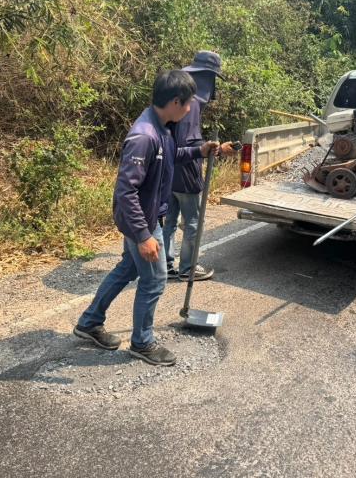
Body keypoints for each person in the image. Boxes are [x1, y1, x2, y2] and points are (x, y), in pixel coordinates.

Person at [73, 70, 219, 366]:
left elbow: (170, 155)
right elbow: (126, 191)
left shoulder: (162, 127)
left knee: (127, 269)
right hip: (141, 220)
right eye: (188, 103)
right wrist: (143, 235)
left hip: (145, 216)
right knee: (154, 280)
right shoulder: (144, 136)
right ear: (176, 102)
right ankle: (142, 343)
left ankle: (89, 322)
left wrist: (200, 151)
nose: (190, 109)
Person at [163, 51, 236, 281]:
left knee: (170, 220)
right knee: (193, 222)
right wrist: (213, 149)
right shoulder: (191, 103)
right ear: (206, 77)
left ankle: (164, 266)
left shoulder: (174, 96)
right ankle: (187, 268)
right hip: (185, 172)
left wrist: (215, 148)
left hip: (167, 171)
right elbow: (187, 143)